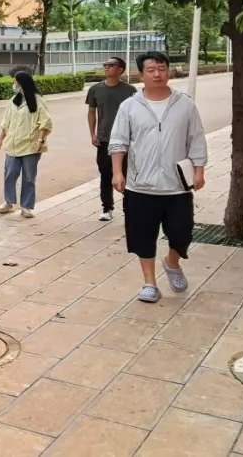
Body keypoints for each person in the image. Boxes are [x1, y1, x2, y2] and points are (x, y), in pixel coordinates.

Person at [109, 51, 207, 303]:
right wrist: (118, 172)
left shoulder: (185, 104)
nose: (157, 74)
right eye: (151, 70)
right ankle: (149, 283)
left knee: (182, 233)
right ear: (141, 75)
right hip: (140, 186)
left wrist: (199, 170)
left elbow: (196, 138)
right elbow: (118, 142)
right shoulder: (129, 106)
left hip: (177, 187)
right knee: (142, 236)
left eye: (161, 69)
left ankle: (172, 263)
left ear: (168, 71)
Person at [0, 70, 53, 218]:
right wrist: (0, 139)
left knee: (28, 177)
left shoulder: (38, 101)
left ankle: (26, 206)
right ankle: (8, 201)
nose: (13, 84)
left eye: (15, 81)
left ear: (22, 83)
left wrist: (40, 140)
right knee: (10, 174)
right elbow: (6, 122)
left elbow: (45, 122)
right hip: (13, 144)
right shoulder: (13, 101)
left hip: (30, 145)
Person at [86, 57, 137, 221]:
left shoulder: (130, 91)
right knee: (105, 174)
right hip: (104, 139)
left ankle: (129, 208)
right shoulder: (95, 89)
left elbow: (136, 114)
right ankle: (107, 207)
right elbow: (91, 112)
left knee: (126, 174)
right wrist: (92, 134)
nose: (107, 67)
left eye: (111, 65)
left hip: (125, 140)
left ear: (120, 69)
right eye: (105, 65)